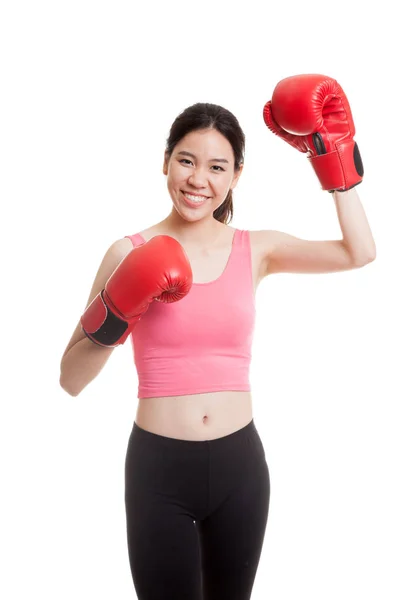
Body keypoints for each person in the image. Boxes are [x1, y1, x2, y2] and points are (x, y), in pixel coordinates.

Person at [59, 74, 376, 600]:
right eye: (186, 160)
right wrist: (118, 308)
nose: (198, 179)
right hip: (158, 469)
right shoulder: (127, 253)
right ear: (165, 161)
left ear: (235, 177)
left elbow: (359, 252)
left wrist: (333, 156)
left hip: (240, 468)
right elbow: (70, 379)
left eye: (216, 166)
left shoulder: (259, 249)